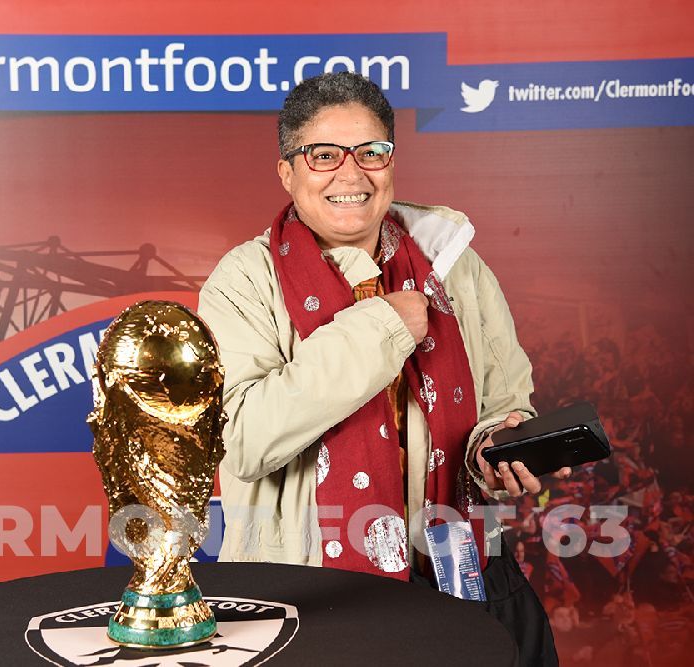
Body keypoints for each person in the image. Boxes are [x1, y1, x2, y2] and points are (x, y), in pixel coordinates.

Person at [198, 71, 571, 665]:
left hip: (458, 573)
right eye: (323, 155)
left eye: (372, 152)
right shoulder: (242, 281)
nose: (352, 174)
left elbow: (504, 400)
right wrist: (384, 326)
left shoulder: (456, 265)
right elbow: (246, 439)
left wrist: (498, 442)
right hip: (311, 594)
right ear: (287, 172)